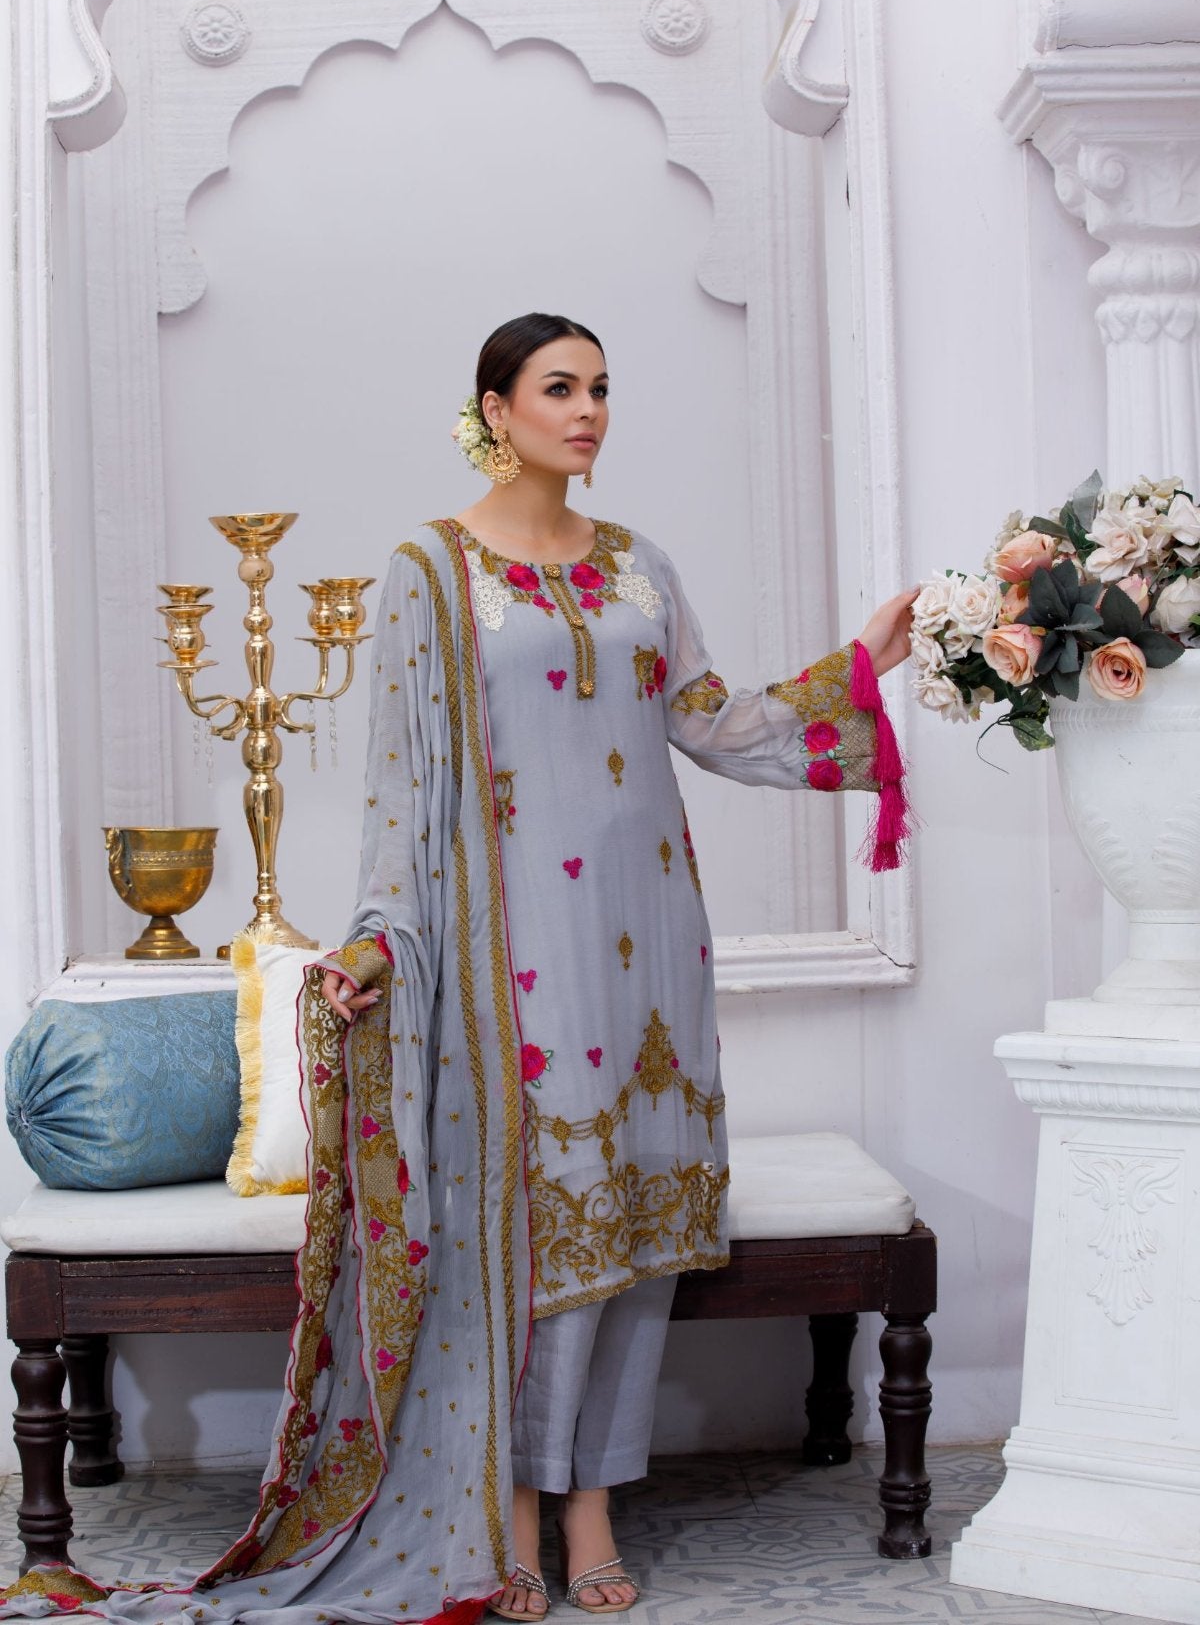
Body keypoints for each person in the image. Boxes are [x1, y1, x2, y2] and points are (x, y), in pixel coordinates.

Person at [1, 313, 917, 1625]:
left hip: (652, 944)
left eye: (602, 387)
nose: (588, 410)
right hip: (515, 957)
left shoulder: (640, 565)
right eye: (560, 387)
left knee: (641, 1230)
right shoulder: (432, 571)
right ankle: (521, 1510)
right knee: (545, 1236)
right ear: (496, 407)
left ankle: (595, 1501)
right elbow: (404, 783)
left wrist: (861, 668)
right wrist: (382, 936)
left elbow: (710, 722)